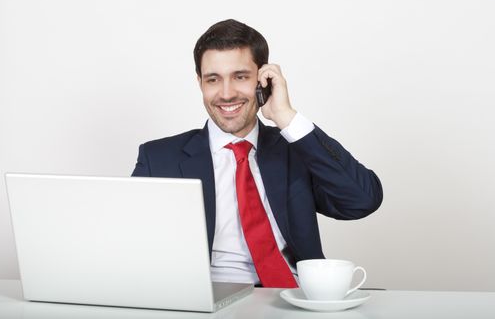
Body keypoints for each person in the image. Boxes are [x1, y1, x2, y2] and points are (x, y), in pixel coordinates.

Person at [132, 19, 383, 288]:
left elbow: (361, 201)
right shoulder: (158, 159)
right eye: (213, 79)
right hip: (204, 297)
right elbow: (128, 244)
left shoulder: (296, 148)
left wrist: (286, 117)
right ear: (200, 83)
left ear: (263, 79)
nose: (226, 94)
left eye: (240, 77)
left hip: (292, 298)